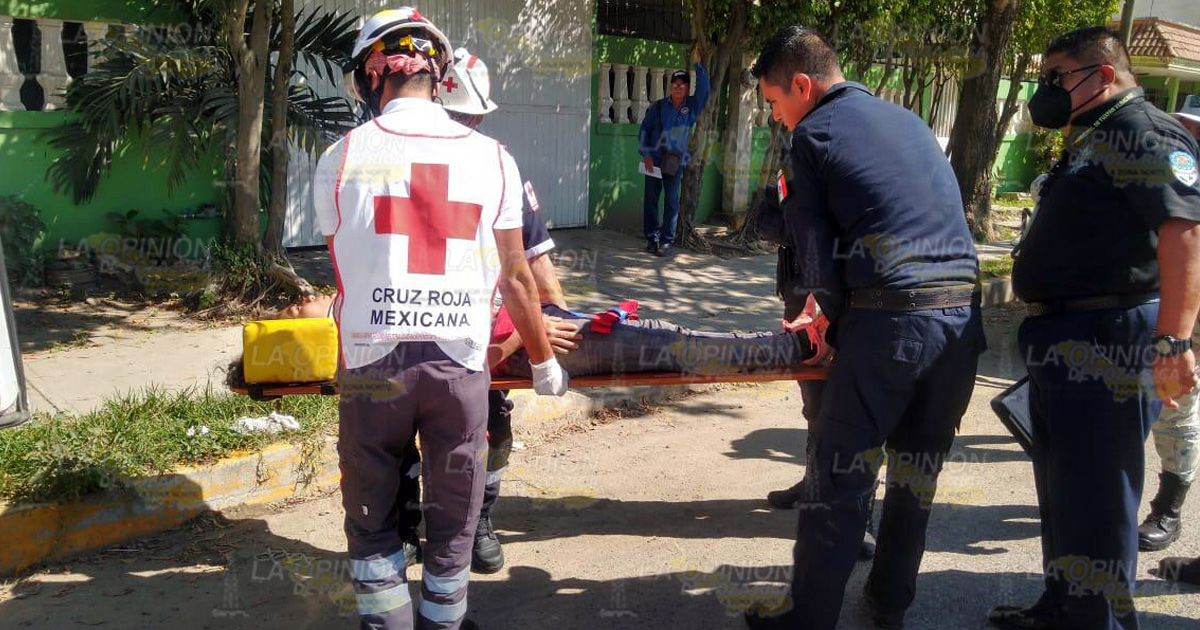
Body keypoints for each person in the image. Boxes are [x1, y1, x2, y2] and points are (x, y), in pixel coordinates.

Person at [313, 8, 568, 630]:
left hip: (372, 366)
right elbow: (516, 277)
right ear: (439, 74)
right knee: (456, 511)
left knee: (372, 511)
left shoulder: (339, 157)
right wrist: (542, 359)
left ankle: (388, 623)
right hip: (460, 368)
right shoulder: (494, 157)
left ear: (371, 74)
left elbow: (348, 261)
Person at [745, 27, 986, 630]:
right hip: (961, 324)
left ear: (802, 85)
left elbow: (814, 254)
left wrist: (826, 318)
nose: (776, 117)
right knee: (914, 477)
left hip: (891, 325)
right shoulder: (907, 122)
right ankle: (888, 604)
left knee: (838, 481)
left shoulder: (814, 135)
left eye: (775, 102)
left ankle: (808, 617)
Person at [988, 27, 1200, 630]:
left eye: (1056, 77)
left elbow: (1184, 234)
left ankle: (1099, 620)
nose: (1045, 91)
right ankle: (1064, 610)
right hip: (1069, 335)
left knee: (1101, 499)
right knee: (1067, 494)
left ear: (1102, 76)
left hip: (1109, 338)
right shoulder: (1099, 134)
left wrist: (1175, 342)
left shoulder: (1144, 133)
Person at [395, 47, 579, 575]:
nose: (468, 125)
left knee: (490, 423)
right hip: (403, 324)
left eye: (473, 117)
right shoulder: (390, 158)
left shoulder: (497, 165)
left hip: (477, 333)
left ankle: (478, 521)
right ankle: (404, 528)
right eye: (461, 116)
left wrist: (556, 318)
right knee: (399, 427)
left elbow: (533, 261)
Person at [755, 178, 878, 560]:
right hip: (799, 299)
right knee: (814, 405)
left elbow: (847, 227)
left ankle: (859, 517)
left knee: (856, 416)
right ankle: (812, 484)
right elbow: (765, 222)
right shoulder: (792, 167)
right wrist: (805, 226)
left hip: (845, 302)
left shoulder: (854, 165)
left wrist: (802, 226)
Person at [1137, 105, 1200, 552]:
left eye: (1193, 127)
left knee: (1178, 409)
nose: (1185, 132)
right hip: (1152, 308)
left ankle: (1168, 508)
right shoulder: (1168, 173)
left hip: (1186, 321)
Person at [638, 45, 710, 257]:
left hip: (675, 163)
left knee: (671, 201)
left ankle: (666, 241)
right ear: (670, 87)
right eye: (675, 84)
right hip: (654, 161)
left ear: (687, 88)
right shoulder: (658, 107)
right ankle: (651, 238)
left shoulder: (692, 106)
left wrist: (698, 64)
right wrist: (647, 155)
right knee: (650, 201)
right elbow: (644, 130)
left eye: (682, 85)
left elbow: (704, 90)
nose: (678, 88)